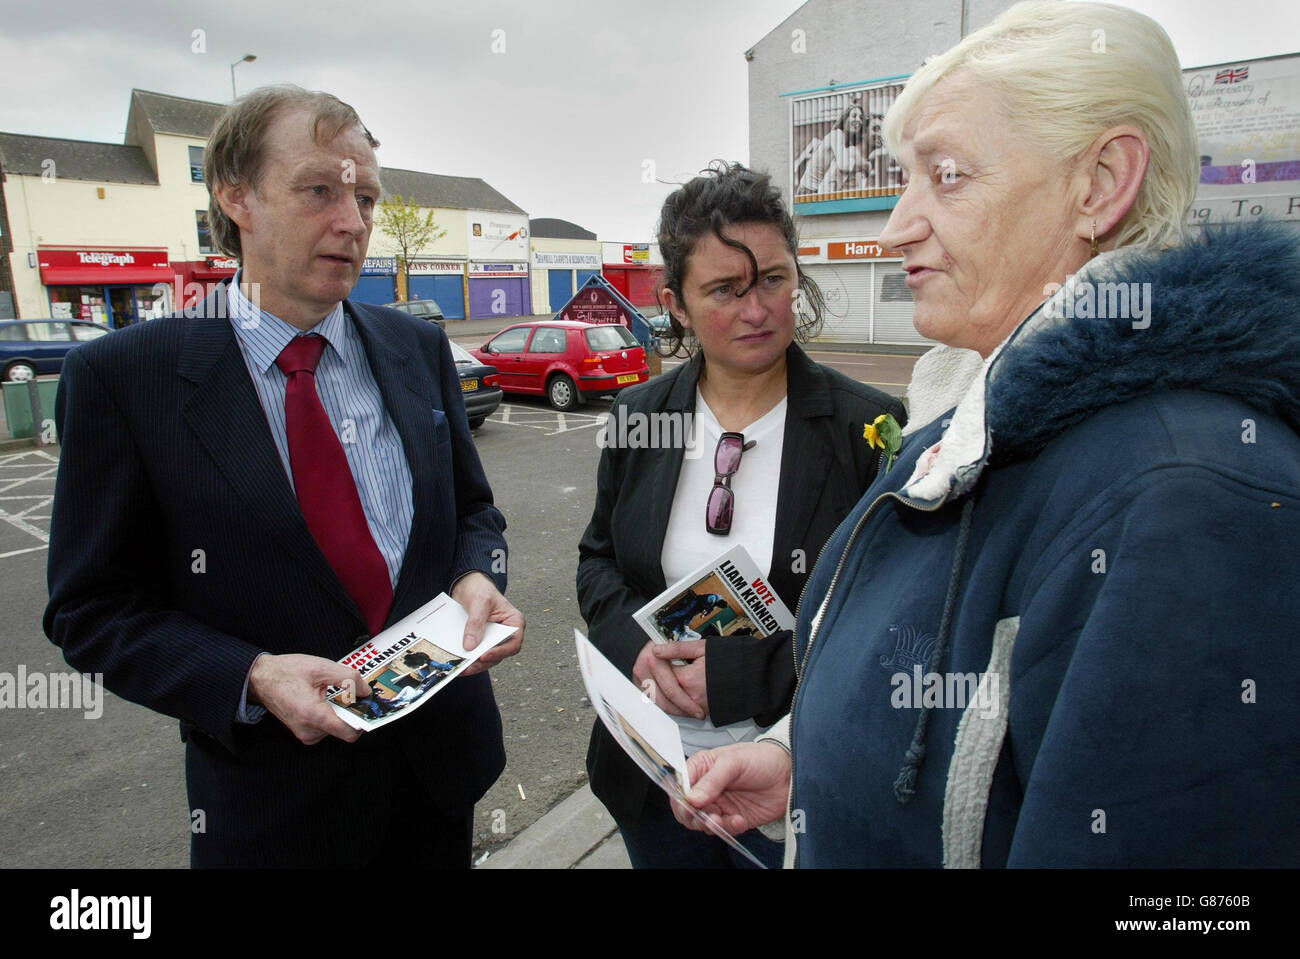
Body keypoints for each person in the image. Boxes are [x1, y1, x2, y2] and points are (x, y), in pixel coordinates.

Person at [675, 0, 1300, 867]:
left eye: (949, 175)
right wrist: (802, 761)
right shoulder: (971, 416)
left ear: (1101, 183)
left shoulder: (1188, 501)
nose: (897, 226)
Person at [43, 85, 524, 868]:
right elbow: (91, 609)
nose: (353, 222)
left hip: (437, 780)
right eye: (319, 191)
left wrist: (475, 574)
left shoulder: (417, 347)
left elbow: (474, 511)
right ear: (237, 196)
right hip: (274, 815)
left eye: (365, 196)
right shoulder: (128, 379)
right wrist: (254, 675)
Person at [577, 161, 906, 868]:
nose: (757, 310)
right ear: (677, 304)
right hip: (651, 773)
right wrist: (634, 646)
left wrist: (739, 678)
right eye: (725, 289)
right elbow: (598, 560)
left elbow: (883, 625)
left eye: (773, 280)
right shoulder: (638, 416)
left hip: (796, 782)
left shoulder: (868, 428)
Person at [794, 102, 867, 196]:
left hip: (816, 190)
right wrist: (865, 165)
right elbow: (844, 165)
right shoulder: (836, 134)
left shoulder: (847, 142)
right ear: (845, 119)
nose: (858, 120)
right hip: (808, 191)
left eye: (861, 117)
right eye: (854, 116)